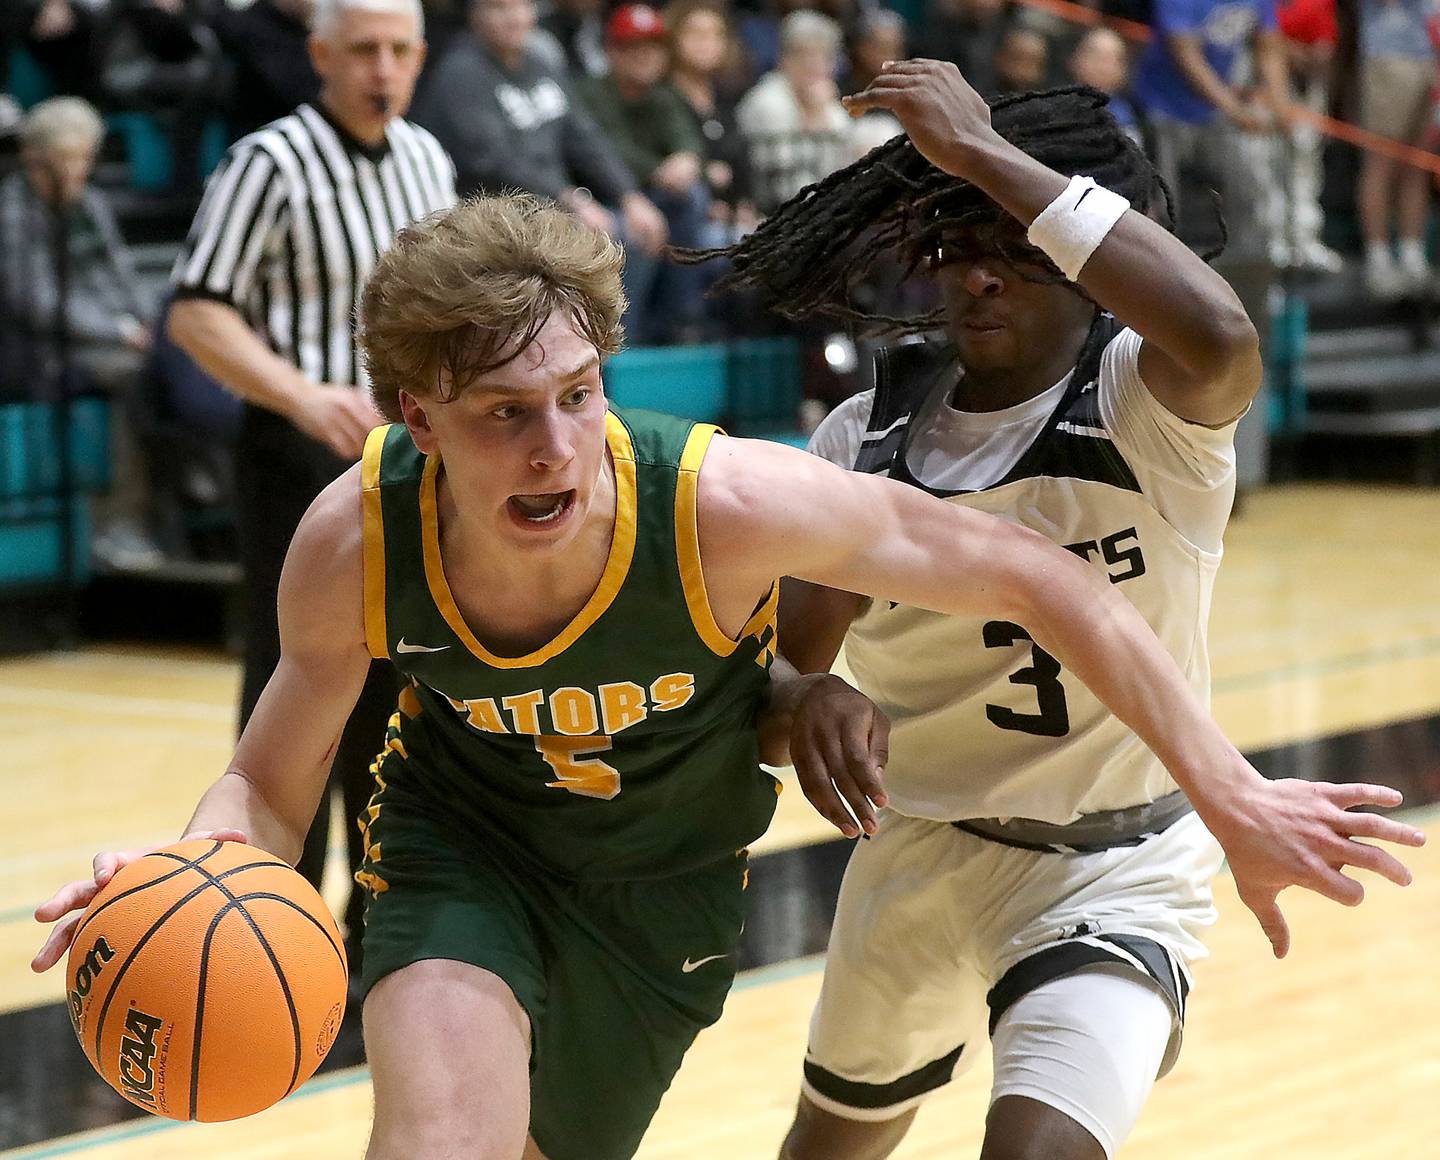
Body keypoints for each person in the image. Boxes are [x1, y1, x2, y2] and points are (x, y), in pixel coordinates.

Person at [35, 190, 1425, 1160]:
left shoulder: (718, 504)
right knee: (438, 1142)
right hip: (465, 853)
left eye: (578, 397)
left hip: (662, 891)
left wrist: (1231, 793)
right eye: (504, 416)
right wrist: (188, 875)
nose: (555, 448)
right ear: (415, 419)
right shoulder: (354, 536)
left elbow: (1042, 579)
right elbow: (268, 790)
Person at [694, 61, 1425, 1160]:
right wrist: (810, 702)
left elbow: (1222, 330)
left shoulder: (1146, 403)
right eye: (955, 243)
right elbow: (776, 683)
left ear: (1081, 258)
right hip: (921, 853)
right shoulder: (864, 440)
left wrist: (982, 150)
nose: (978, 277)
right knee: (824, 1147)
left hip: (1114, 872)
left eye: (1013, 246)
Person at [166, 0, 455, 975]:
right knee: (294, 690)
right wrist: (299, 393)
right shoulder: (269, 160)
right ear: (320, 55)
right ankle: (271, 933)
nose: (383, 67)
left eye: (399, 49)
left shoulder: (426, 158)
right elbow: (198, 311)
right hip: (296, 453)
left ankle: (382, 935)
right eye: (363, 49)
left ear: (419, 57)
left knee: (398, 691)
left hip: (404, 458)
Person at [0, 96, 162, 569]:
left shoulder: (91, 203)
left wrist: (150, 321)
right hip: (43, 350)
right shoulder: (10, 214)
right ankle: (118, 523)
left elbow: (122, 271)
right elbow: (38, 303)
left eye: (85, 158)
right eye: (66, 160)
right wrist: (119, 331)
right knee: (134, 374)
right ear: (35, 158)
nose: (78, 171)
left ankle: (193, 498)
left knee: (183, 361)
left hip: (113, 336)